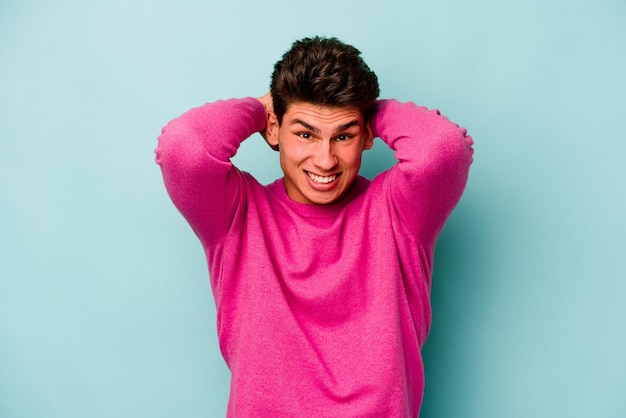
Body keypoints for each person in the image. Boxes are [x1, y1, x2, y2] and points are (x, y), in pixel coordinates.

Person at [155, 36, 474, 417]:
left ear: (367, 135)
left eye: (343, 135)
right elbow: (183, 148)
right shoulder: (235, 213)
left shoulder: (399, 212)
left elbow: (444, 148)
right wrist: (260, 108)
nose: (325, 160)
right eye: (305, 134)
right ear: (275, 130)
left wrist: (369, 110)